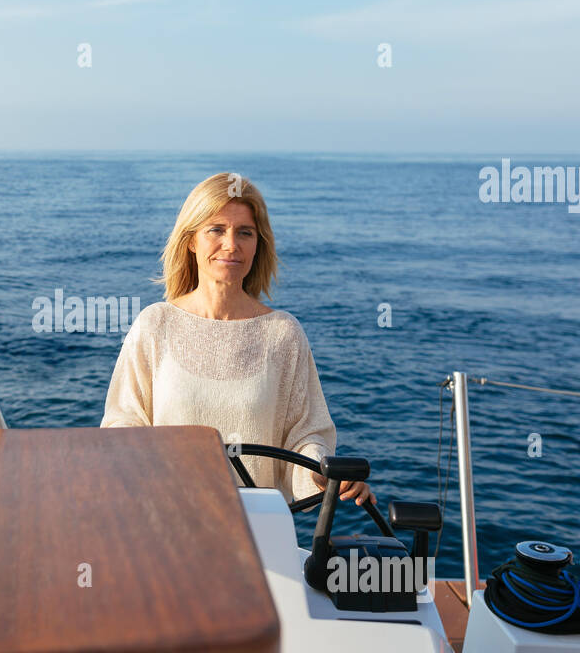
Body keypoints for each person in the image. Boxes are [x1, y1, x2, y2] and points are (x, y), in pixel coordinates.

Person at [100, 172, 375, 510]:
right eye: (216, 230)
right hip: (165, 519)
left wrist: (322, 473)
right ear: (191, 240)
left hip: (259, 525)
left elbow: (306, 435)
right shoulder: (155, 324)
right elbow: (123, 424)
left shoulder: (283, 334)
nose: (231, 245)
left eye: (245, 233)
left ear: (259, 244)